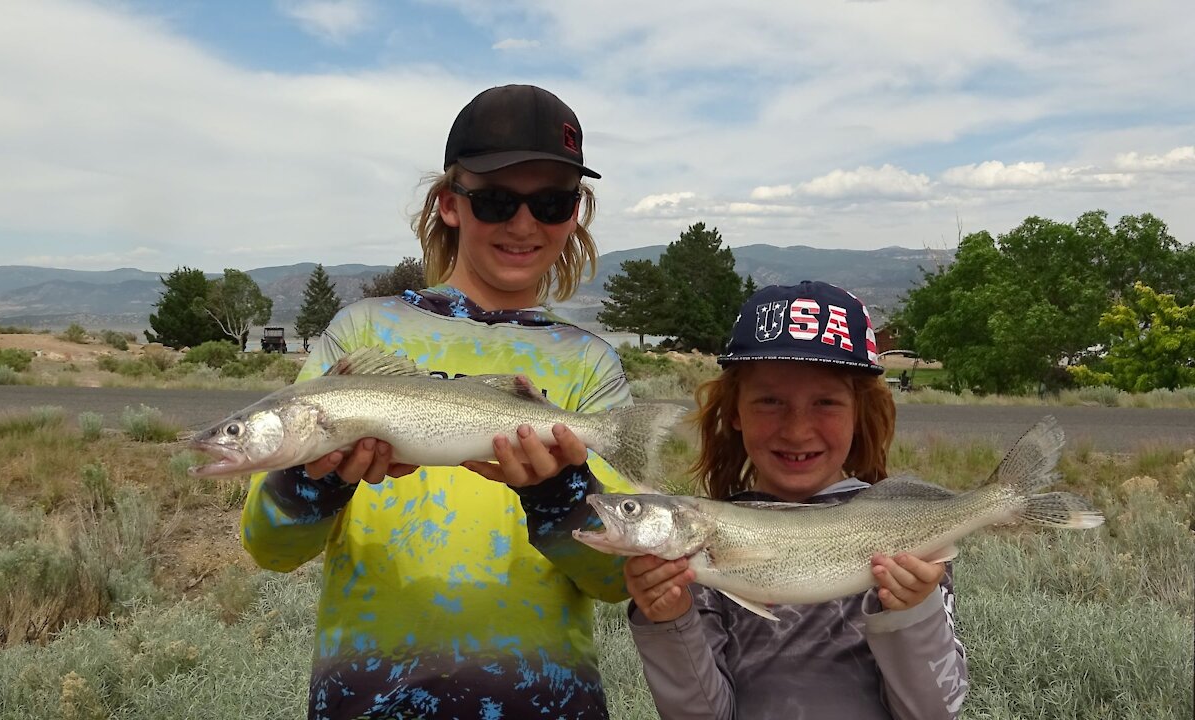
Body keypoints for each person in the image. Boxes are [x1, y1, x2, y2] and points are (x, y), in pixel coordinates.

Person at [240, 84, 639, 719]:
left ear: (575, 214)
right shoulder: (361, 335)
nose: (523, 223)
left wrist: (558, 497)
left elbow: (619, 580)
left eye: (553, 202)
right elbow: (269, 546)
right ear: (450, 204)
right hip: (368, 702)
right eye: (498, 200)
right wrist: (315, 482)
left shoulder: (588, 363)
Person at [624, 281, 969, 719]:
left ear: (859, 412)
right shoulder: (699, 544)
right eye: (770, 401)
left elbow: (934, 712)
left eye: (825, 402)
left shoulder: (905, 536)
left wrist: (914, 612)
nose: (797, 430)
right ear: (735, 411)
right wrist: (671, 621)